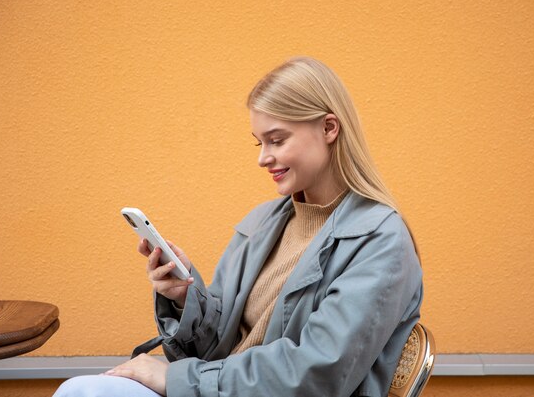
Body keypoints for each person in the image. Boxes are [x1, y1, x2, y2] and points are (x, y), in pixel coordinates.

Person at [54, 56, 423, 397]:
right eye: (259, 142)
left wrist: (175, 379)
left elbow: (318, 373)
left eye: (277, 140)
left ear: (329, 128)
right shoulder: (265, 223)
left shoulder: (380, 241)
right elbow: (222, 344)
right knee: (82, 390)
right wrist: (185, 297)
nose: (263, 158)